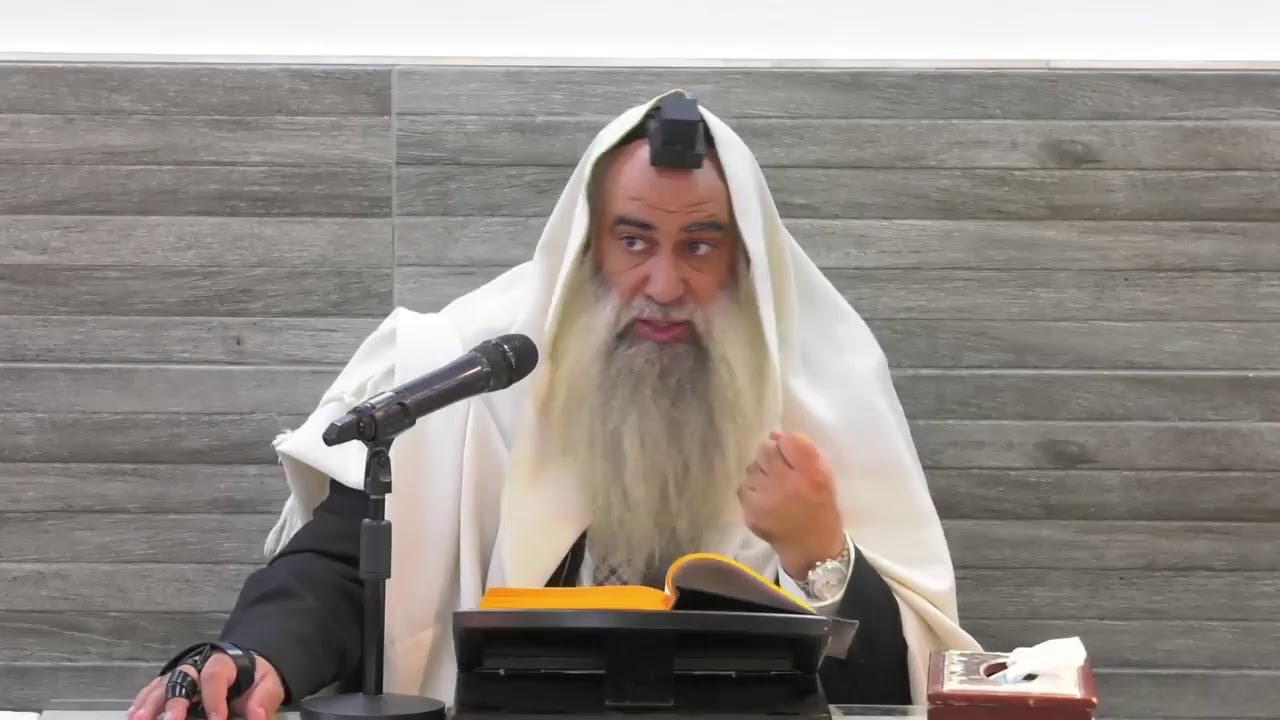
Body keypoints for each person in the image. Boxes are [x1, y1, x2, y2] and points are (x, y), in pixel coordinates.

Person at [127, 90, 981, 720]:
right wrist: (255, 654)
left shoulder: (824, 398)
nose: (663, 283)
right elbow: (339, 569)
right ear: (587, 247)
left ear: (745, 261)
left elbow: (903, 693)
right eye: (635, 239)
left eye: (700, 246)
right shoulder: (467, 366)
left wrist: (820, 552)